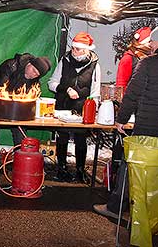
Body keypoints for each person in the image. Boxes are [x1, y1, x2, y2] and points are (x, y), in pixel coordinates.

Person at [93, 41, 158, 221]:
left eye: (153, 40)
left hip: (147, 128)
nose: (150, 44)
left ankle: (115, 207)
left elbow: (132, 94)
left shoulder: (148, 63)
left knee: (130, 164)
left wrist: (121, 119)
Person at [0, 53, 51, 170]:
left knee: (20, 129)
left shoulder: (34, 81)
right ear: (29, 64)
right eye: (33, 70)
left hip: (14, 105)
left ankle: (20, 159)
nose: (32, 74)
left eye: (36, 74)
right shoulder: (11, 65)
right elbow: (1, 88)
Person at [48, 31, 101, 182]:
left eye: (78, 49)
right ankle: (61, 169)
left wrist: (93, 110)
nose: (74, 52)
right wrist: (65, 89)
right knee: (62, 138)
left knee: (80, 139)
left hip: (82, 109)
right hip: (63, 107)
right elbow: (52, 83)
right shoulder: (64, 60)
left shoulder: (95, 65)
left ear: (87, 50)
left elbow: (95, 92)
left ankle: (79, 170)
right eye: (73, 48)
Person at [115, 26, 152, 92]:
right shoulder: (128, 58)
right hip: (132, 99)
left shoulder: (150, 56)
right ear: (141, 42)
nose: (151, 44)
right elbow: (121, 84)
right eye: (149, 41)